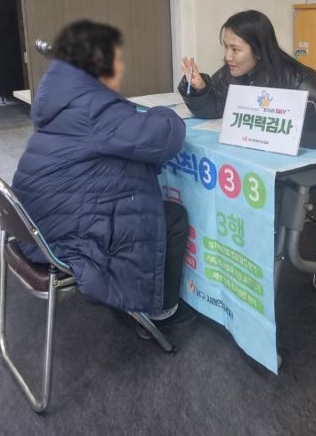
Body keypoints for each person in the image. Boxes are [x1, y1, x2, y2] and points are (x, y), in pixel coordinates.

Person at [13, 20, 196, 331]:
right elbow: (166, 137)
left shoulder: (60, 97)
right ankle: (161, 312)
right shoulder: (94, 107)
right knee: (171, 216)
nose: (121, 67)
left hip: (34, 227)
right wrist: (164, 112)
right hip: (60, 238)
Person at [179, 9, 316, 130]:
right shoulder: (232, 72)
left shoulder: (300, 79)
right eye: (225, 47)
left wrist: (279, 125)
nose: (227, 57)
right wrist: (200, 90)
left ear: (258, 50)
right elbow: (215, 108)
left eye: (235, 49)